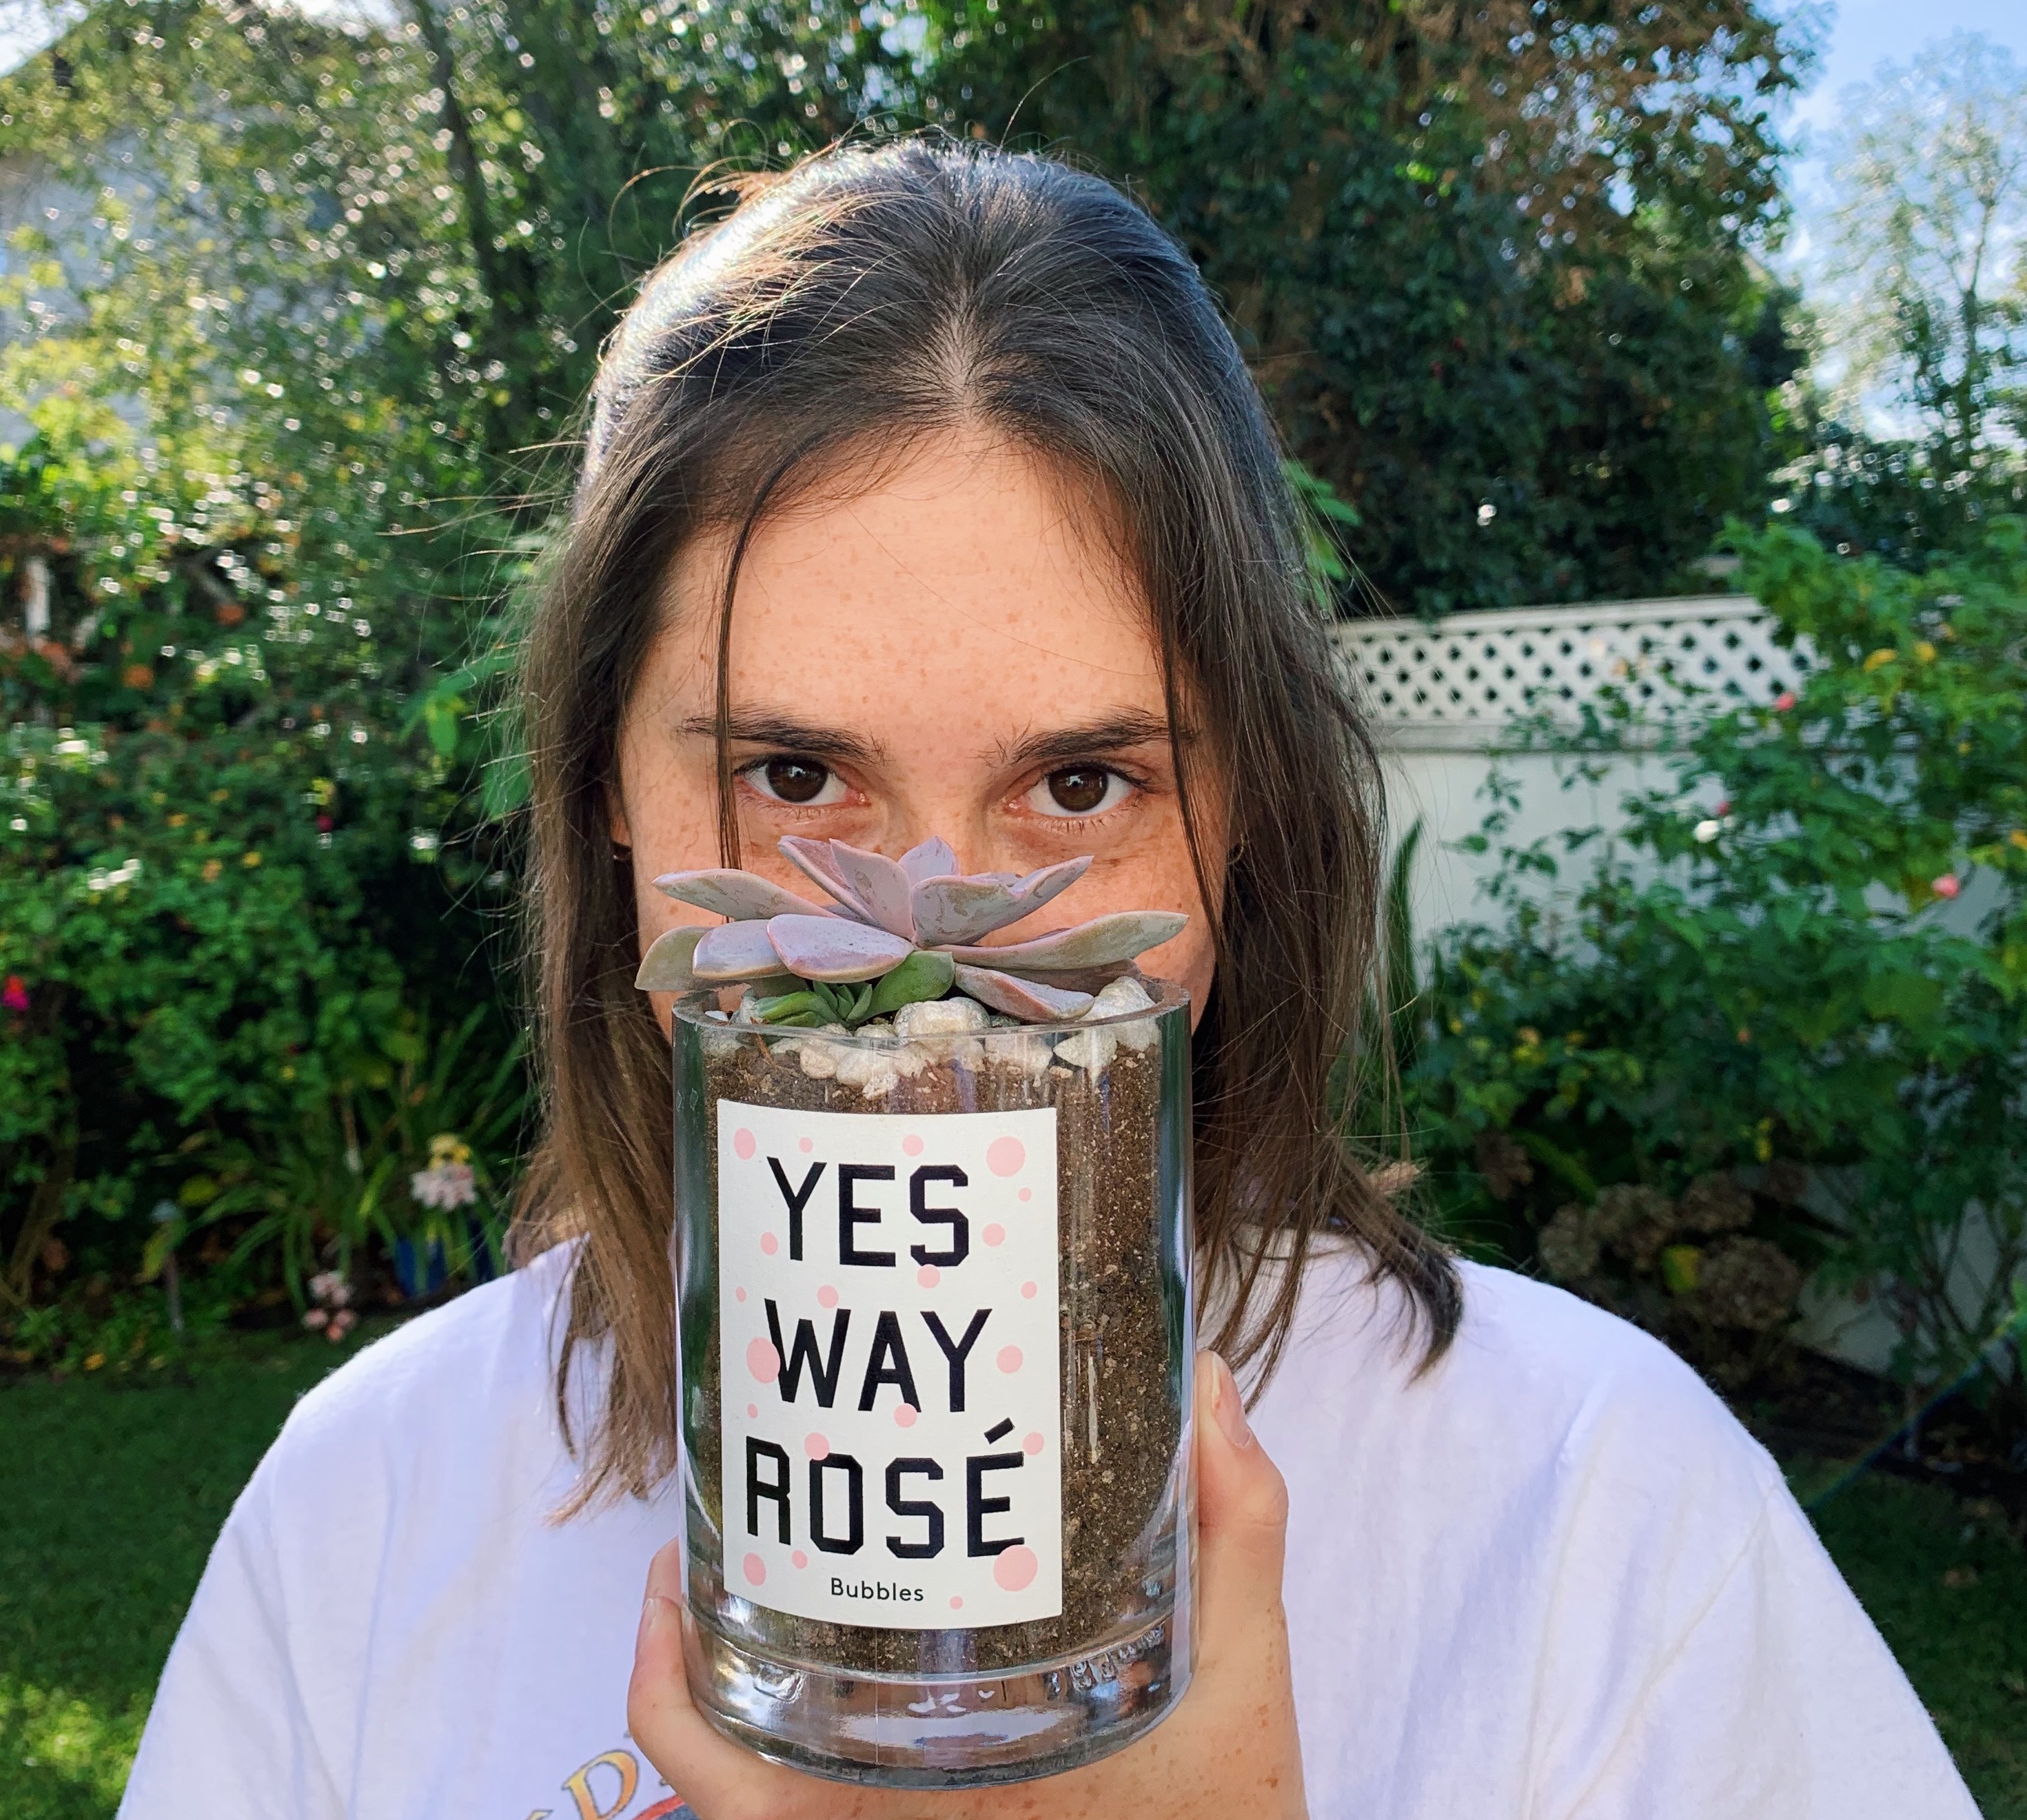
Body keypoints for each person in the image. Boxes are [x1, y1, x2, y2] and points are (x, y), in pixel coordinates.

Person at [119, 140, 1976, 1820]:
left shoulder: (1596, 1513)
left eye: (1081, 783)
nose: (942, 967)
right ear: (607, 781)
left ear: (1245, 810)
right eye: (788, 773)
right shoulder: (366, 1504)